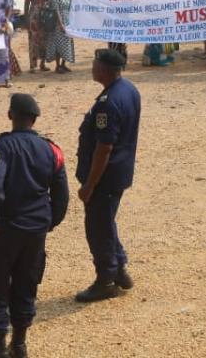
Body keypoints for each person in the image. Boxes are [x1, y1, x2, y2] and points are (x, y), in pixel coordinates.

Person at [0, 94, 69, 358]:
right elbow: (61, 193)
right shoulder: (51, 149)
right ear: (34, 119)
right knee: (26, 285)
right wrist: (50, 221)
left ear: (10, 116)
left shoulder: (0, 148)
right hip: (36, 230)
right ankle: (19, 344)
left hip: (5, 230)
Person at [75, 49, 141, 303]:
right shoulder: (129, 89)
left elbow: (104, 148)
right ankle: (119, 269)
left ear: (105, 70)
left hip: (105, 177)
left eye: (95, 64)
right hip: (119, 172)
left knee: (97, 227)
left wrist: (89, 185)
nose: (92, 68)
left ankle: (105, 279)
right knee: (106, 221)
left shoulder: (109, 103)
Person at [21, 0, 51, 73]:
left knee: (45, 41)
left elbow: (51, 0)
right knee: (33, 41)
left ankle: (43, 64)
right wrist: (26, 19)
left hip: (46, 18)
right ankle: (33, 66)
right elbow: (26, 4)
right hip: (34, 17)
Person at [45, 0, 75, 74]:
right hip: (58, 24)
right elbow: (56, 12)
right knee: (58, 45)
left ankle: (63, 64)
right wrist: (61, 25)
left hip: (67, 23)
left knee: (66, 44)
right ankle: (57, 66)